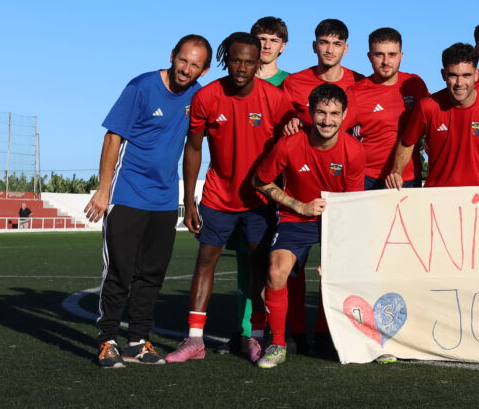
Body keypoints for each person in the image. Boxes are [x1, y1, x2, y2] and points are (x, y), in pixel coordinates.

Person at [84, 34, 211, 368]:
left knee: (152, 274)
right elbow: (113, 137)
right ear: (172, 55)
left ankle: (138, 341)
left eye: (195, 65)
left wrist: (188, 198)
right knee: (120, 271)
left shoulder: (198, 96)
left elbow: (198, 144)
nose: (186, 69)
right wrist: (103, 188)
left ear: (204, 69)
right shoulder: (141, 86)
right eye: (183, 60)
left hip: (164, 200)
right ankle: (107, 340)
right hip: (127, 194)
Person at [165, 32, 292, 364]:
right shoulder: (208, 96)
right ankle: (194, 340)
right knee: (205, 263)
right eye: (236, 60)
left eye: (250, 61)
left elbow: (296, 138)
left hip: (259, 202)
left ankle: (256, 337)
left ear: (258, 62)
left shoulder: (275, 99)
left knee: (258, 267)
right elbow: (192, 149)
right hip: (217, 197)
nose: (242, 67)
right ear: (225, 60)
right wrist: (189, 200)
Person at [252, 84, 365, 368]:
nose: (328, 120)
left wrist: (337, 251)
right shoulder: (289, 143)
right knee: (276, 272)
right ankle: (277, 344)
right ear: (311, 113)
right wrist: (298, 206)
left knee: (340, 273)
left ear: (345, 115)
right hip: (296, 219)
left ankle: (336, 337)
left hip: (336, 221)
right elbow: (260, 180)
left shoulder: (353, 151)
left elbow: (352, 204)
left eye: (335, 114)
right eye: (322, 113)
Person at [387, 43, 479, 188]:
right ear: (443, 74)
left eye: (466, 75)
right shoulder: (428, 106)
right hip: (437, 196)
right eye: (453, 75)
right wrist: (396, 171)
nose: (459, 83)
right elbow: (407, 142)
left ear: (477, 75)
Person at [350, 27, 430, 189]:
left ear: (401, 55)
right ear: (369, 56)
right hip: (369, 178)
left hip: (409, 177)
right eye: (379, 55)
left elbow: (431, 121)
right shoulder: (355, 92)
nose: (386, 62)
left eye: (392, 55)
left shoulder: (415, 84)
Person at [283, 18, 364, 133]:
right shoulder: (293, 82)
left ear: (345, 49)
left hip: (345, 149)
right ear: (314, 46)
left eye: (337, 44)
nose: (330, 50)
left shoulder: (359, 82)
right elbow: (282, 123)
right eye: (324, 42)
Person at [252, 16, 290, 86]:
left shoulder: (290, 81)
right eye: (262, 39)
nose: (267, 46)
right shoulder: (239, 80)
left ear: (282, 47)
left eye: (274, 41)